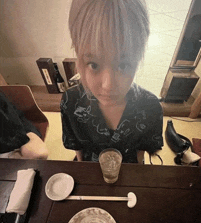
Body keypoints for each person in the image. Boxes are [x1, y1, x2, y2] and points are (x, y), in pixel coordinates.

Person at [60, 0, 163, 163]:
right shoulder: (71, 101)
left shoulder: (150, 107)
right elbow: (77, 149)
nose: (108, 85)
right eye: (94, 64)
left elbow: (141, 154)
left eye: (123, 65)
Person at [0, 91, 48, 159]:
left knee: (38, 153)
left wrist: (31, 134)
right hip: (7, 147)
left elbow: (15, 115)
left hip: (13, 139)